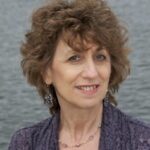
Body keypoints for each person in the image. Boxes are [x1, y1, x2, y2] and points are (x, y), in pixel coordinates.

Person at [8, 0, 150, 149]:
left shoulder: (142, 141)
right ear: (46, 72)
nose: (92, 72)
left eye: (100, 57)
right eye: (75, 58)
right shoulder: (25, 143)